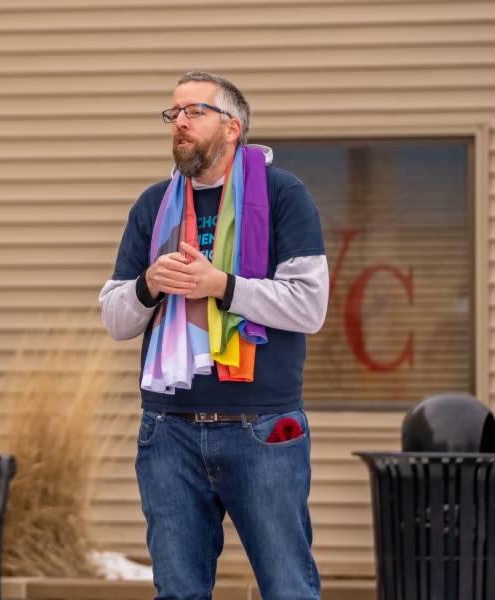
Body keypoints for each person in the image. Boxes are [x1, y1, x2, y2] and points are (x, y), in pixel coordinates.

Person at [99, 71, 329, 600]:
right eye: (173, 113)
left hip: (263, 427)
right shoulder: (154, 205)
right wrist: (148, 285)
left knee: (288, 587)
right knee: (178, 593)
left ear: (234, 127)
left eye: (194, 111)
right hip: (169, 431)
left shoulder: (282, 194)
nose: (179, 122)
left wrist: (221, 285)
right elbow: (115, 317)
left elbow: (310, 304)